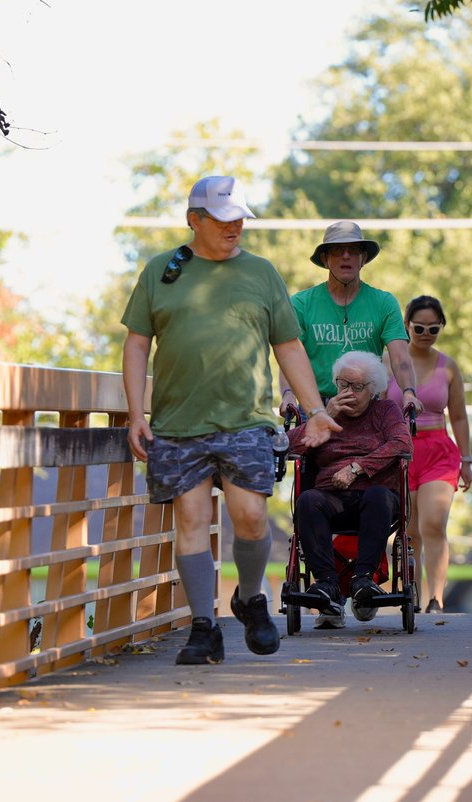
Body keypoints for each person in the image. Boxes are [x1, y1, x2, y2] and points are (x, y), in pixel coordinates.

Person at [121, 175, 340, 666]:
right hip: (178, 423)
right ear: (193, 221)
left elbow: (288, 345)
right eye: (222, 219)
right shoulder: (162, 272)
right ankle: (204, 628)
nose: (235, 226)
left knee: (252, 517)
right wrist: (138, 413)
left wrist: (318, 411)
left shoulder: (261, 274)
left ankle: (250, 597)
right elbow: (137, 343)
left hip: (246, 421)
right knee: (191, 518)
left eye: (239, 217)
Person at [286, 351, 414, 629]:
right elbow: (289, 448)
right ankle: (327, 585)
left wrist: (357, 468)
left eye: (357, 387)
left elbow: (402, 444)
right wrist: (323, 417)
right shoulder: (323, 411)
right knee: (308, 500)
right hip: (330, 497)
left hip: (376, 497)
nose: (349, 393)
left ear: (373, 389)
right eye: (343, 385)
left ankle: (363, 580)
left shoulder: (385, 411)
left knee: (378, 495)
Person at [277, 221, 423, 417]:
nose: (346, 256)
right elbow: (290, 358)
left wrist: (409, 393)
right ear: (325, 259)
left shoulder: (384, 302)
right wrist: (287, 395)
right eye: (338, 250)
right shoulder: (300, 304)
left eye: (353, 250)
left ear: (363, 259)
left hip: (366, 406)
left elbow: (400, 358)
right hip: (314, 406)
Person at [384, 296, 472, 614]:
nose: (425, 333)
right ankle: (413, 597)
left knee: (434, 523)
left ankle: (436, 599)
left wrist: (467, 461)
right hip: (400, 451)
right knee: (408, 529)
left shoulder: (448, 366)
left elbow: (459, 416)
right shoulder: (389, 360)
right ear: (406, 325)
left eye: (433, 328)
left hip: (439, 451)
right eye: (419, 327)